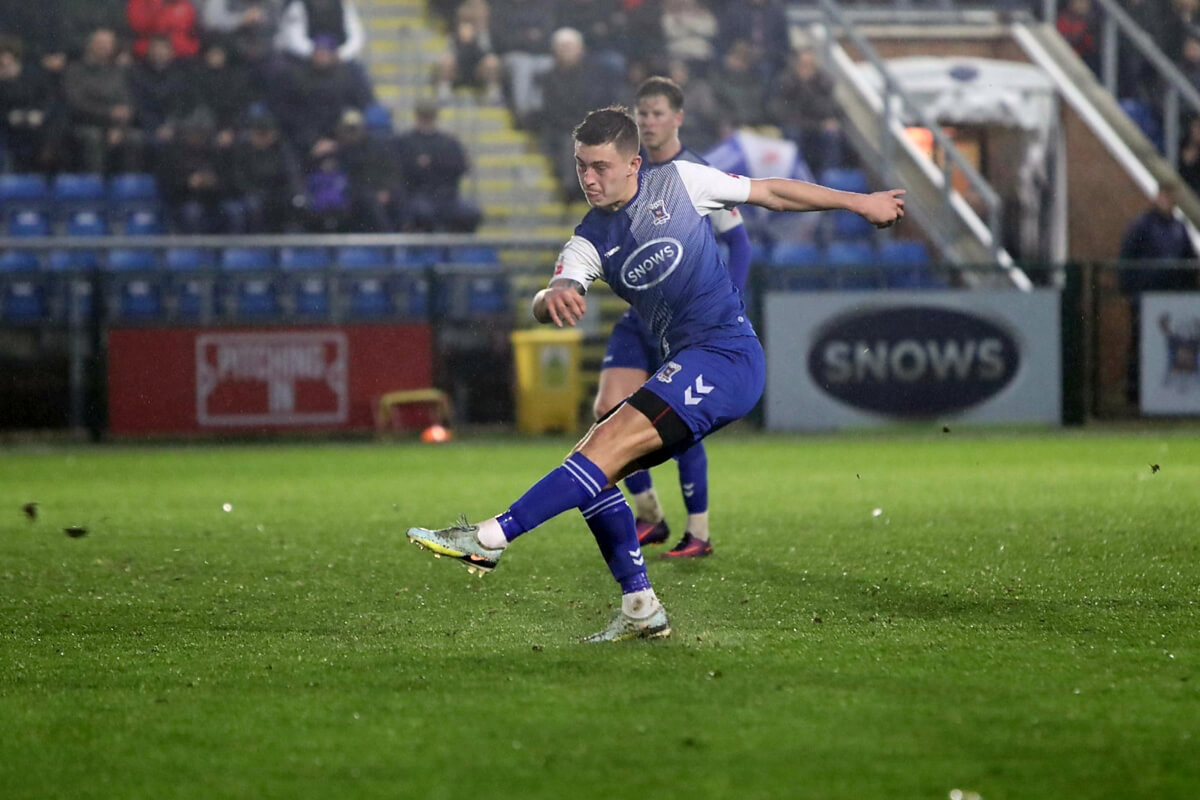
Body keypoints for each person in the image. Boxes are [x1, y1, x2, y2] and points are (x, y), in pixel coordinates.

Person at [406, 105, 904, 642]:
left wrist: (860, 202)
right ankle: (641, 606)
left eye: (600, 166)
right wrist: (552, 295)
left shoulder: (681, 182)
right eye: (581, 167)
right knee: (594, 468)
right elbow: (554, 289)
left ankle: (491, 535)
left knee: (604, 445)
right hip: (685, 360)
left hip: (728, 357)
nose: (589, 179)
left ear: (633, 164)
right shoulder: (589, 238)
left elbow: (772, 193)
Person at [589, 75, 752, 560]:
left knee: (677, 421)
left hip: (690, 322)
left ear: (677, 118)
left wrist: (730, 302)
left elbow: (739, 242)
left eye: (658, 113)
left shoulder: (694, 172)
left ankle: (697, 530)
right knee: (607, 409)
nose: (648, 121)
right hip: (641, 318)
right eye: (642, 113)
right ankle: (650, 515)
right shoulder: (624, 173)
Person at [62, 28, 145, 174]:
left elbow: (126, 104)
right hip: (84, 124)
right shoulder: (75, 71)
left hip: (115, 126)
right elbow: (76, 104)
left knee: (134, 139)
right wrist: (108, 113)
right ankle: (93, 188)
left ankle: (130, 188)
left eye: (108, 44)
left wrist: (120, 128)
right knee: (93, 138)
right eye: (100, 43)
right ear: (90, 45)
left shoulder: (118, 72)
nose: (104, 47)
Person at [393, 98, 481, 232]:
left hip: (448, 196)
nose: (427, 120)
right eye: (424, 117)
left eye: (429, 117)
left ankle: (457, 250)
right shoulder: (405, 141)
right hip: (419, 194)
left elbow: (461, 167)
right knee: (423, 213)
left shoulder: (449, 141)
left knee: (472, 214)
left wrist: (432, 162)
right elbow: (403, 171)